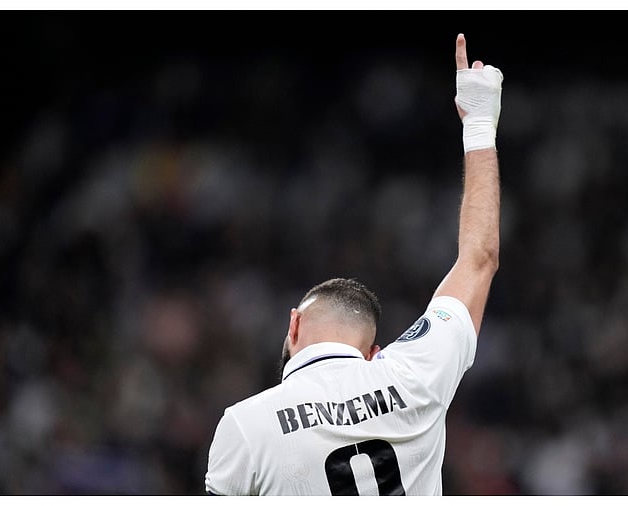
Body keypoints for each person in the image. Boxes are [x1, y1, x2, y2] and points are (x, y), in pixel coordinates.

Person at [204, 32, 503, 496]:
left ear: (294, 326)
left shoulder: (245, 426)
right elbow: (479, 258)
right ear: (372, 352)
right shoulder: (413, 375)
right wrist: (479, 123)